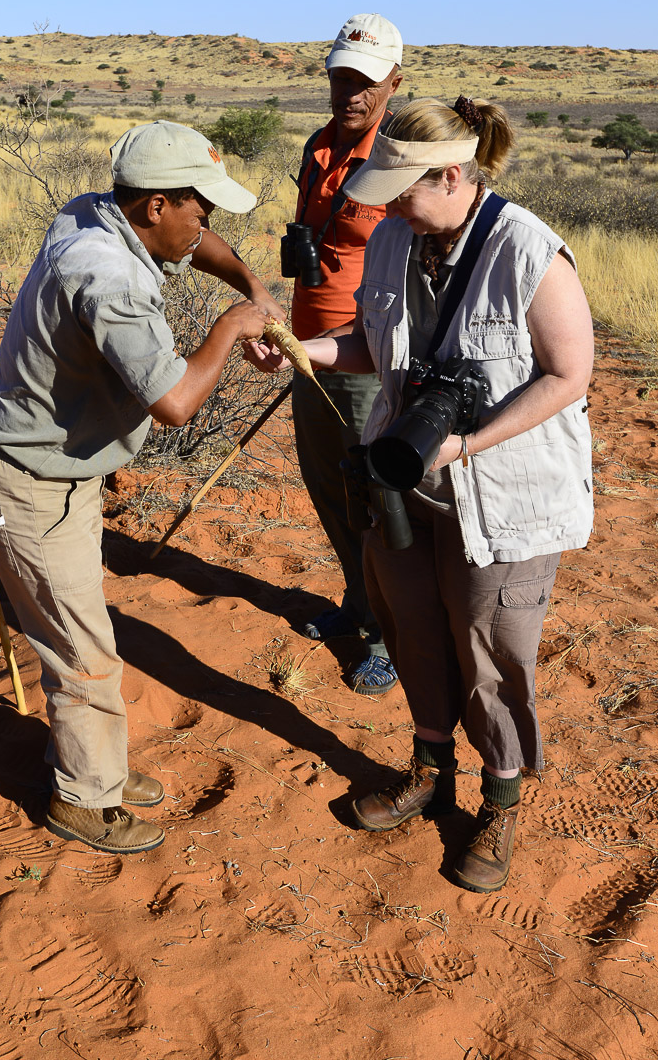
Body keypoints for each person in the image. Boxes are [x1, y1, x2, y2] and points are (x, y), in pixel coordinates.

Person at [245, 96, 594, 893]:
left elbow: (569, 375)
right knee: (411, 628)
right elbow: (374, 341)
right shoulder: (396, 237)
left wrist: (468, 442)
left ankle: (499, 800)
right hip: (406, 480)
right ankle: (429, 767)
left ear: (450, 173)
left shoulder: (528, 250)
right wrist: (304, 351)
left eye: (403, 187)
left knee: (490, 653)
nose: (390, 205)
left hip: (503, 494)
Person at [0, 121, 279, 856]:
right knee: (86, 654)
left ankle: (88, 759)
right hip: (26, 485)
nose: (208, 225)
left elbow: (197, 245)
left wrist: (253, 284)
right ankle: (83, 800)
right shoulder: (107, 279)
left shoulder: (93, 210)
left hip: (57, 479)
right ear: (155, 206)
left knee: (78, 635)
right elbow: (172, 405)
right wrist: (231, 327)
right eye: (200, 207)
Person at [286, 12, 403, 696]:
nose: (350, 92)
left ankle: (388, 636)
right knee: (328, 487)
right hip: (308, 344)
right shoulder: (318, 144)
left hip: (366, 356)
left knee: (373, 497)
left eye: (363, 80)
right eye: (340, 77)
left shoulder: (399, 156)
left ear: (394, 80)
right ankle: (357, 607)